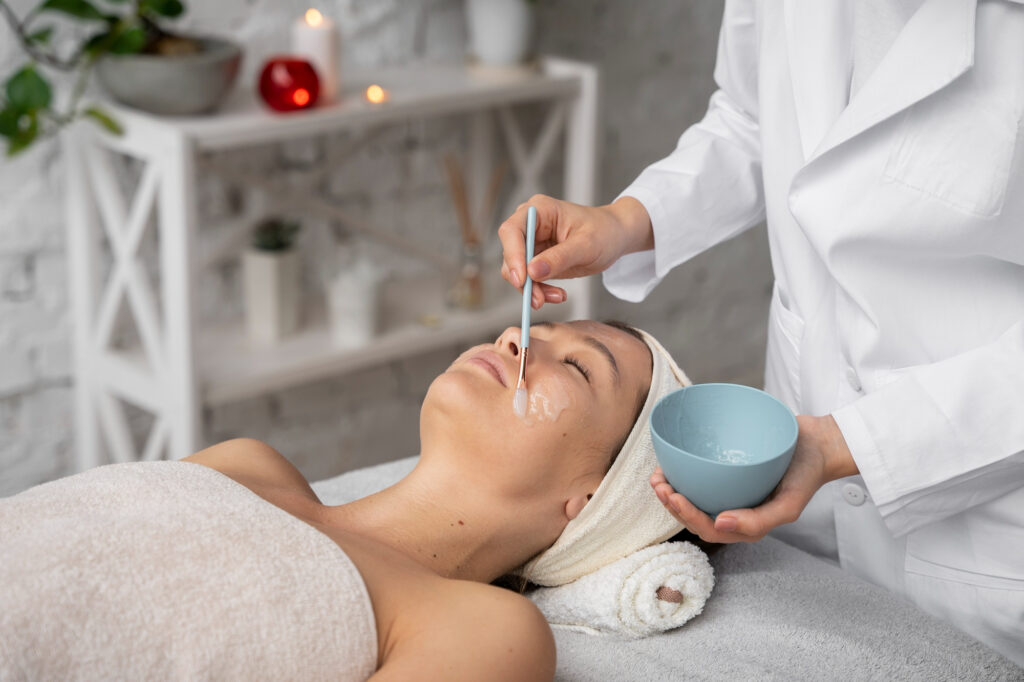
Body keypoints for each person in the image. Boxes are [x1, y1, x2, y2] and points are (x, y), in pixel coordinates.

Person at [498, 0, 1024, 666]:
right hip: (810, 508)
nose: (517, 343)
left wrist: (846, 444)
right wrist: (629, 220)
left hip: (985, 520)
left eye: (582, 367)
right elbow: (752, 116)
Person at [0, 321, 690, 680]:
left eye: (576, 365)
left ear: (595, 497)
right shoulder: (247, 463)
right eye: (535, 332)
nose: (518, 337)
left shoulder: (484, 631)